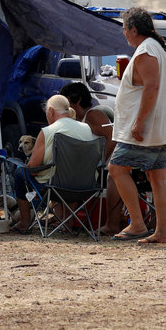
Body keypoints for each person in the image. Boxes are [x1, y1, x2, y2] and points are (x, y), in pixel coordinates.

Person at [107, 7, 166, 244]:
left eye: (124, 29)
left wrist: (138, 123)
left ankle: (138, 224)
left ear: (133, 29)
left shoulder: (146, 50)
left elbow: (152, 87)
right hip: (163, 125)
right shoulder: (159, 47)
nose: (123, 34)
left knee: (117, 169)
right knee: (157, 176)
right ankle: (161, 232)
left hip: (150, 126)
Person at [10, 94, 94, 234]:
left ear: (51, 111)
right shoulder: (86, 128)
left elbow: (33, 168)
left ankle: (24, 223)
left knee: (20, 174)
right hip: (86, 185)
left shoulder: (47, 131)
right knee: (70, 175)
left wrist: (31, 167)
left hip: (55, 186)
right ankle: (68, 221)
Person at [59, 82, 122, 236]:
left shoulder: (93, 115)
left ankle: (66, 220)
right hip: (93, 167)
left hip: (106, 167)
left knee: (69, 175)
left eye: (66, 103)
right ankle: (63, 219)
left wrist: (99, 162)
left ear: (77, 100)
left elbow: (112, 138)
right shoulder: (79, 120)